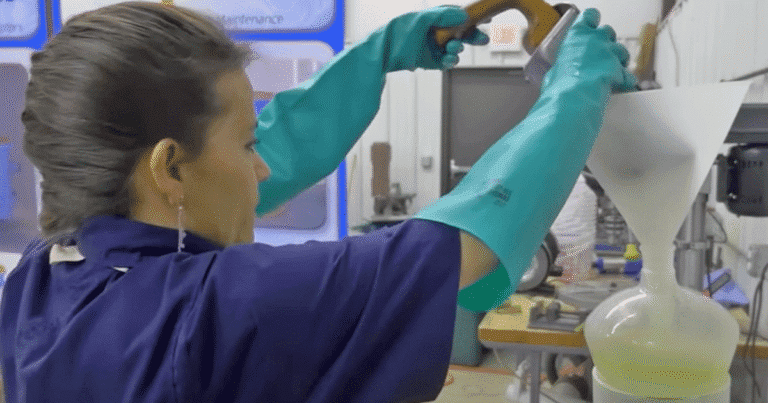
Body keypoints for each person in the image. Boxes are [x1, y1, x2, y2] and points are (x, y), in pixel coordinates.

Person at [0, 1, 635, 402]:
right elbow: (465, 241)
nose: (265, 165)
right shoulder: (225, 308)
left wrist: (381, 55)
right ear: (169, 167)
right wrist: (576, 87)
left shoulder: (37, 278)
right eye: (248, 143)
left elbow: (244, 167)